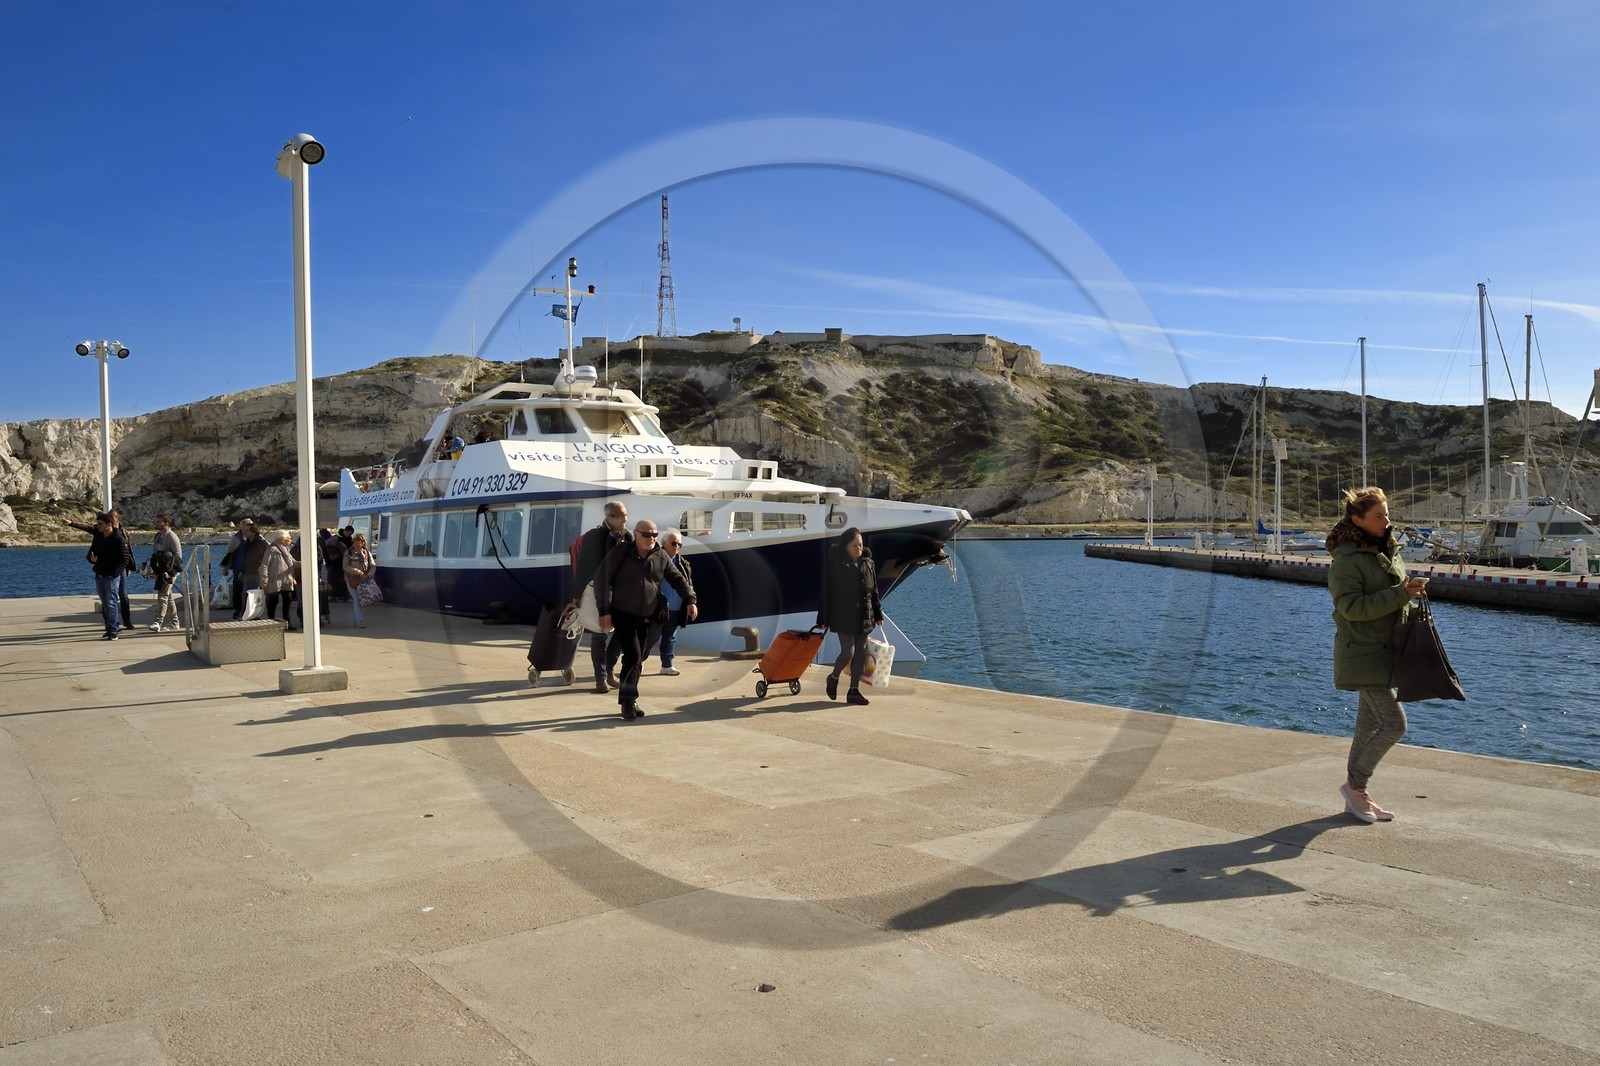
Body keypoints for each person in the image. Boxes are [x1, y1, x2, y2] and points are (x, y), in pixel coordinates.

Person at [1326, 486, 1427, 824]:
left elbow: (1390, 595)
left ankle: (1355, 796)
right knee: (1394, 725)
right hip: (1363, 653)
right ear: (1357, 519)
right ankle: (1355, 788)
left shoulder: (1386, 549)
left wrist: (1408, 594)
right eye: (1379, 516)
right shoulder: (1348, 560)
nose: (1387, 520)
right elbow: (1350, 607)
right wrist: (1400, 594)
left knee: (1367, 727)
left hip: (1387, 652)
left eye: (1387, 513)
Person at [596, 519, 698, 720]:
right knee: (633, 656)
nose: (651, 538)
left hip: (647, 616)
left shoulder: (660, 555)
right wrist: (604, 610)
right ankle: (627, 702)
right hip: (622, 613)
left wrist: (690, 600)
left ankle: (631, 699)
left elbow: (678, 579)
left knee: (638, 659)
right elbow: (603, 578)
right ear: (636, 534)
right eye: (647, 534)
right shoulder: (621, 552)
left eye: (654, 535)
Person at [817, 526, 884, 706]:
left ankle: (853, 691)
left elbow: (874, 592)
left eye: (860, 545)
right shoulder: (836, 565)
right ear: (845, 547)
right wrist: (823, 619)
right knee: (849, 651)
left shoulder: (869, 564)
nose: (859, 548)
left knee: (860, 654)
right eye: (854, 545)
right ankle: (833, 678)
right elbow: (826, 593)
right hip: (843, 615)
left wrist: (878, 614)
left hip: (865, 615)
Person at [574, 500, 631, 693]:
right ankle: (600, 678)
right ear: (609, 517)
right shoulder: (595, 536)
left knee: (622, 634)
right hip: (599, 592)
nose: (625, 519)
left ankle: (609, 671)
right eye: (621, 515)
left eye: (625, 515)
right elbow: (583, 567)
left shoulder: (628, 537)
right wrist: (577, 595)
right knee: (599, 635)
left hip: (622, 593)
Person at [643, 529, 691, 675]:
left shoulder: (684, 563)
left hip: (676, 606)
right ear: (664, 543)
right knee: (652, 636)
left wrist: (690, 602)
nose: (677, 547)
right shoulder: (655, 559)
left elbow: (689, 584)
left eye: (679, 544)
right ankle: (639, 660)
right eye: (673, 543)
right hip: (658, 607)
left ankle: (667, 665)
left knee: (670, 636)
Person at [86, 512, 133, 640]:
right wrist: (92, 559)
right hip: (99, 574)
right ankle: (112, 626)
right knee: (105, 603)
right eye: (97, 524)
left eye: (100, 524)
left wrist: (114, 574)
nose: (98, 526)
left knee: (111, 602)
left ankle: (113, 630)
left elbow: (125, 559)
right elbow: (90, 553)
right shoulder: (98, 537)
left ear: (109, 524)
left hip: (111, 575)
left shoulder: (119, 539)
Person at [225, 520, 270, 620]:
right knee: (239, 591)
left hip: (255, 571)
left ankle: (250, 613)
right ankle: (241, 611)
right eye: (244, 529)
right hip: (241, 569)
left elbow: (266, 554)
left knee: (251, 592)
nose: (245, 532)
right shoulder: (237, 538)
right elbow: (229, 553)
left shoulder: (260, 541)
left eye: (247, 530)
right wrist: (228, 568)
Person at [147, 513, 184, 632]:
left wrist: (170, 571)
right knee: (168, 597)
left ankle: (158, 622)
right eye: (156, 521)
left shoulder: (172, 537)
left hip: (169, 571)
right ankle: (175, 622)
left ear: (166, 523)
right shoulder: (157, 536)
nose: (156, 524)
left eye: (159, 522)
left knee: (162, 596)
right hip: (159, 569)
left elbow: (178, 556)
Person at [259, 530, 299, 629]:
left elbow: (293, 563)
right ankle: (271, 623)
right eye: (288, 538)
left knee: (288, 600)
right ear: (282, 539)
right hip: (274, 580)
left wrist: (306, 562)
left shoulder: (286, 550)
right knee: (273, 601)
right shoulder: (271, 549)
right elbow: (264, 565)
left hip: (286, 579)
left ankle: (287, 623)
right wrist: (264, 579)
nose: (290, 540)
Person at [343, 532, 376, 628]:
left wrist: (369, 574)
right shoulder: (348, 553)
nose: (356, 544)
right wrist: (358, 572)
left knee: (361, 600)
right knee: (357, 599)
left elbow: (373, 565)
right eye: (355, 542)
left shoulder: (367, 553)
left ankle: (356, 619)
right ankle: (359, 621)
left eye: (358, 542)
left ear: (363, 543)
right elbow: (345, 566)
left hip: (364, 580)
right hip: (352, 580)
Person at [321, 528, 349, 602]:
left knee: (332, 580)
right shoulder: (337, 540)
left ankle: (334, 596)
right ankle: (344, 595)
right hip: (341, 563)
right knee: (340, 579)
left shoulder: (325, 543)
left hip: (332, 564)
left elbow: (329, 556)